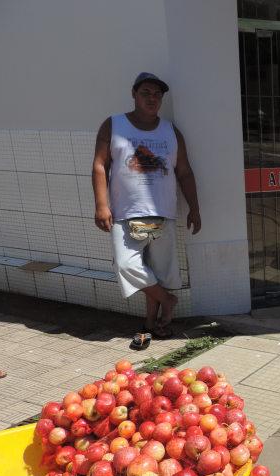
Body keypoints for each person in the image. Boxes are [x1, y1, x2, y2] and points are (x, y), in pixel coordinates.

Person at [92, 73, 201, 343]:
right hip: (125, 214)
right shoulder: (113, 124)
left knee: (157, 271)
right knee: (126, 264)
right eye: (146, 93)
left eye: (157, 94)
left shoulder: (170, 131)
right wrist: (101, 205)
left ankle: (153, 323)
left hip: (161, 214)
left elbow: (184, 172)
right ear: (133, 93)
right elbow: (99, 165)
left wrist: (194, 209)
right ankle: (169, 300)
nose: (152, 98)